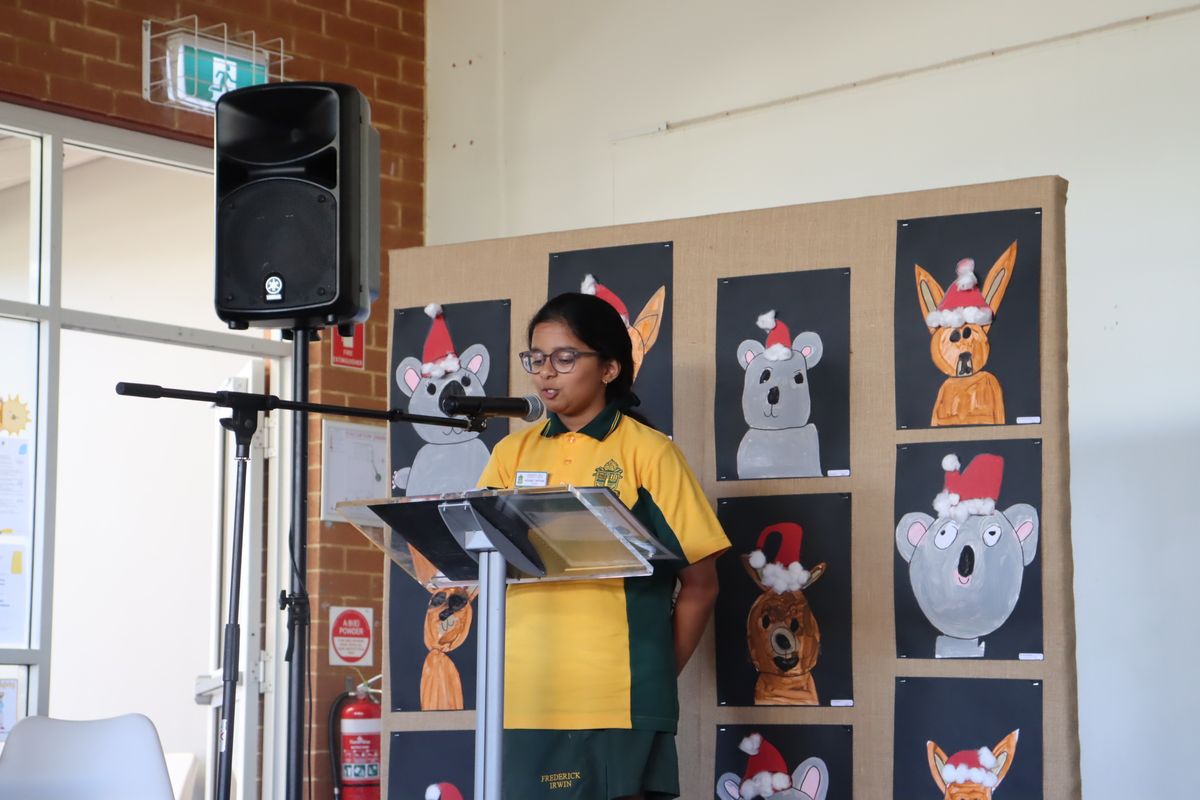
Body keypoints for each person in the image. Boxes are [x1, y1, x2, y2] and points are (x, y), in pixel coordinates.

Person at [478, 292, 730, 800]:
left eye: (565, 358)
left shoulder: (649, 453)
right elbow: (479, 559)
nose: (546, 373)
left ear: (610, 368)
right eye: (536, 359)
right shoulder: (510, 453)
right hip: (520, 695)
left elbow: (701, 586)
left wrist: (654, 674)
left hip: (617, 698)